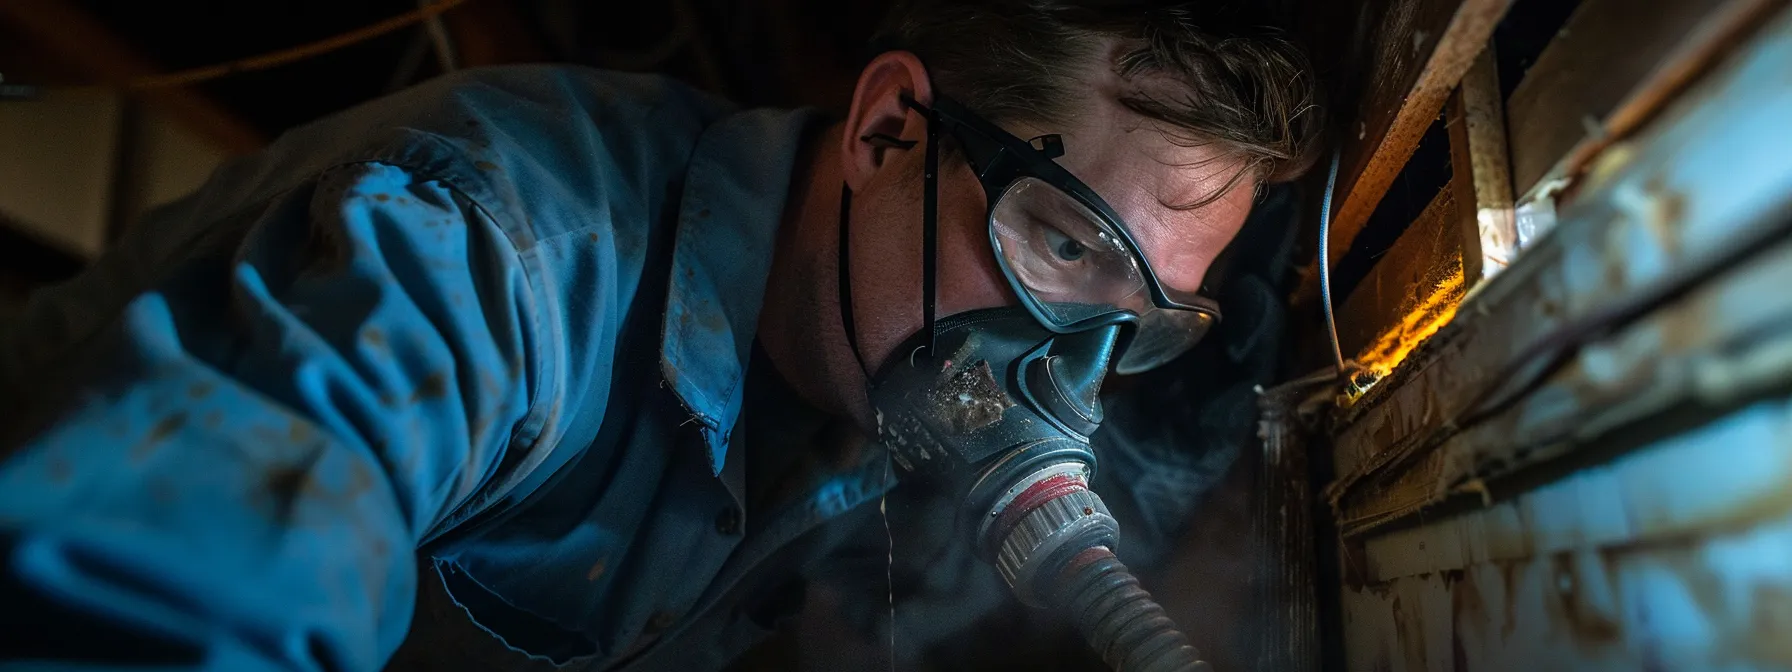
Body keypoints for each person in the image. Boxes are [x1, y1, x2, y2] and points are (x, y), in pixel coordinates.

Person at [0, 1, 1320, 670]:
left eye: (1131, 323)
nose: (1061, 378)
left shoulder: (848, 392)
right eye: (1065, 243)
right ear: (883, 132)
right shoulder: (492, 249)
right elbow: (160, 611)